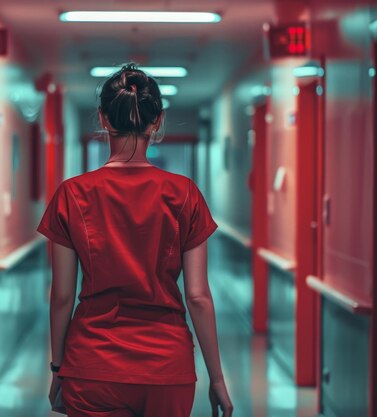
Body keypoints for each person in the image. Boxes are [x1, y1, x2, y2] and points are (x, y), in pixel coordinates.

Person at [36, 63, 233, 417]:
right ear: (156, 121)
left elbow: (62, 295)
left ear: (104, 119)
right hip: (166, 368)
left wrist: (57, 367)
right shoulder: (184, 194)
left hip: (92, 364)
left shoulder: (72, 195)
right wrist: (217, 379)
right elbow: (198, 297)